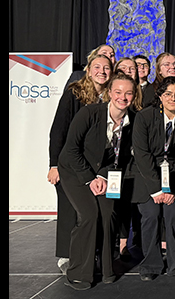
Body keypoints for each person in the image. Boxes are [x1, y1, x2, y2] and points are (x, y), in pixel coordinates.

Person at [57, 72, 136, 290]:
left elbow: (123, 157)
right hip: (75, 170)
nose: (123, 97)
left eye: (128, 93)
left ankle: (107, 267)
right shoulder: (89, 113)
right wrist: (90, 178)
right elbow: (71, 149)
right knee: (90, 214)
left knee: (109, 213)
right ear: (109, 93)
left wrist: (102, 176)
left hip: (105, 173)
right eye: (118, 92)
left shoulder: (133, 121)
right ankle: (79, 272)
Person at [47, 54, 112, 274]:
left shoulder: (112, 96)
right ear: (88, 69)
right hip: (70, 162)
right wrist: (54, 164)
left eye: (106, 68)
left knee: (94, 211)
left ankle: (91, 253)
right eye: (97, 67)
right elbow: (58, 130)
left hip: (98, 163)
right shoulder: (74, 93)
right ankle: (67, 255)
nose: (101, 71)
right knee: (69, 209)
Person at [132, 76, 175, 281]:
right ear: (160, 96)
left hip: (174, 176)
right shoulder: (144, 117)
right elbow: (142, 155)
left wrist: (171, 189)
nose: (173, 98)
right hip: (146, 175)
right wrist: (156, 189)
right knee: (151, 215)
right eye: (168, 94)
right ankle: (150, 264)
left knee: (173, 214)